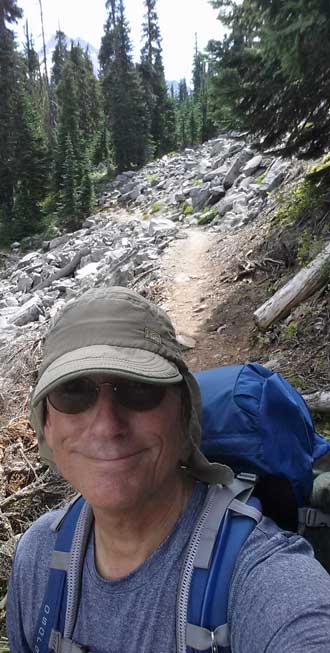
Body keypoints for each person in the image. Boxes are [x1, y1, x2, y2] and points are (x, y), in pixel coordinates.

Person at [6, 286, 330, 652]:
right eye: (74, 392)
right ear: (46, 424)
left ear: (184, 414)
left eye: (139, 388)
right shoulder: (37, 557)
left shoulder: (262, 576)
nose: (106, 426)